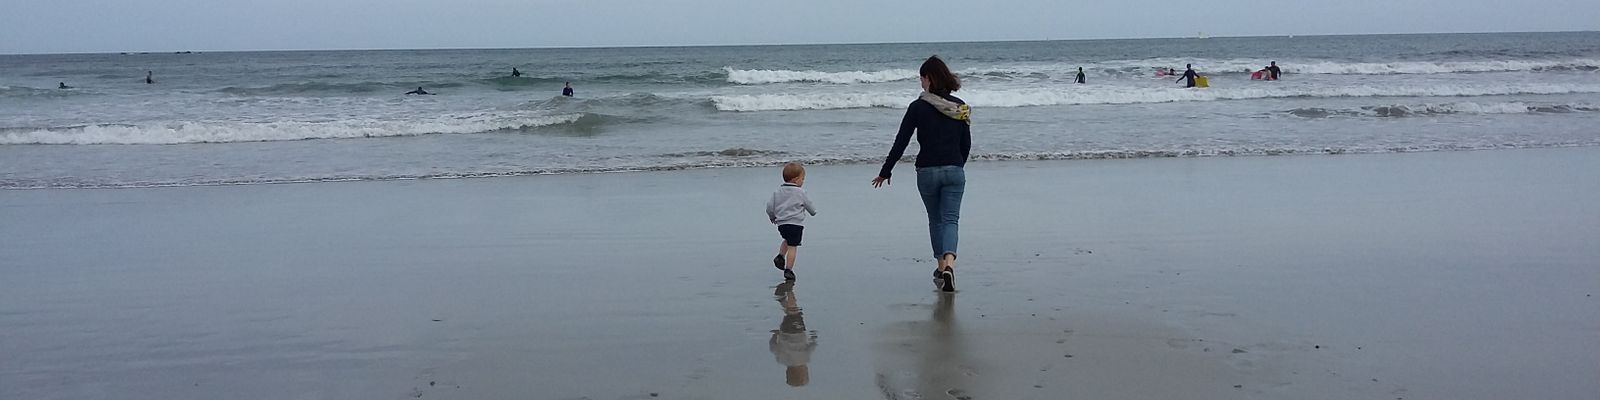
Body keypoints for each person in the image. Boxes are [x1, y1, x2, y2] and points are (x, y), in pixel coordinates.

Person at [871, 55, 971, 292]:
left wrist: (886, 171)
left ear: (929, 78)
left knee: (935, 219)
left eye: (922, 78)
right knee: (951, 219)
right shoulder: (960, 107)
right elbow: (965, 144)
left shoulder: (917, 107)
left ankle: (940, 267)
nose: (921, 83)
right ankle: (949, 265)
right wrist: (958, 165)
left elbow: (901, 140)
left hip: (926, 171)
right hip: (954, 170)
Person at [767, 162, 817, 281]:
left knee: (787, 240)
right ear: (796, 180)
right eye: (802, 179)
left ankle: (780, 256)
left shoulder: (777, 192)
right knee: (793, 246)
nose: (803, 181)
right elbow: (809, 205)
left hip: (782, 224)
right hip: (796, 224)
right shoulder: (800, 192)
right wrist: (813, 212)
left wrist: (772, 216)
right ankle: (788, 269)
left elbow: (769, 206)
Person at [769, 281, 816, 387]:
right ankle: (782, 299)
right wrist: (775, 335)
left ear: (803, 371)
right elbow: (773, 347)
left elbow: (811, 347)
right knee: (791, 313)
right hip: (785, 331)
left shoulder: (805, 358)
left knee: (794, 311)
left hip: (798, 331)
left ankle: (789, 290)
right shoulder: (782, 359)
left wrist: (814, 337)